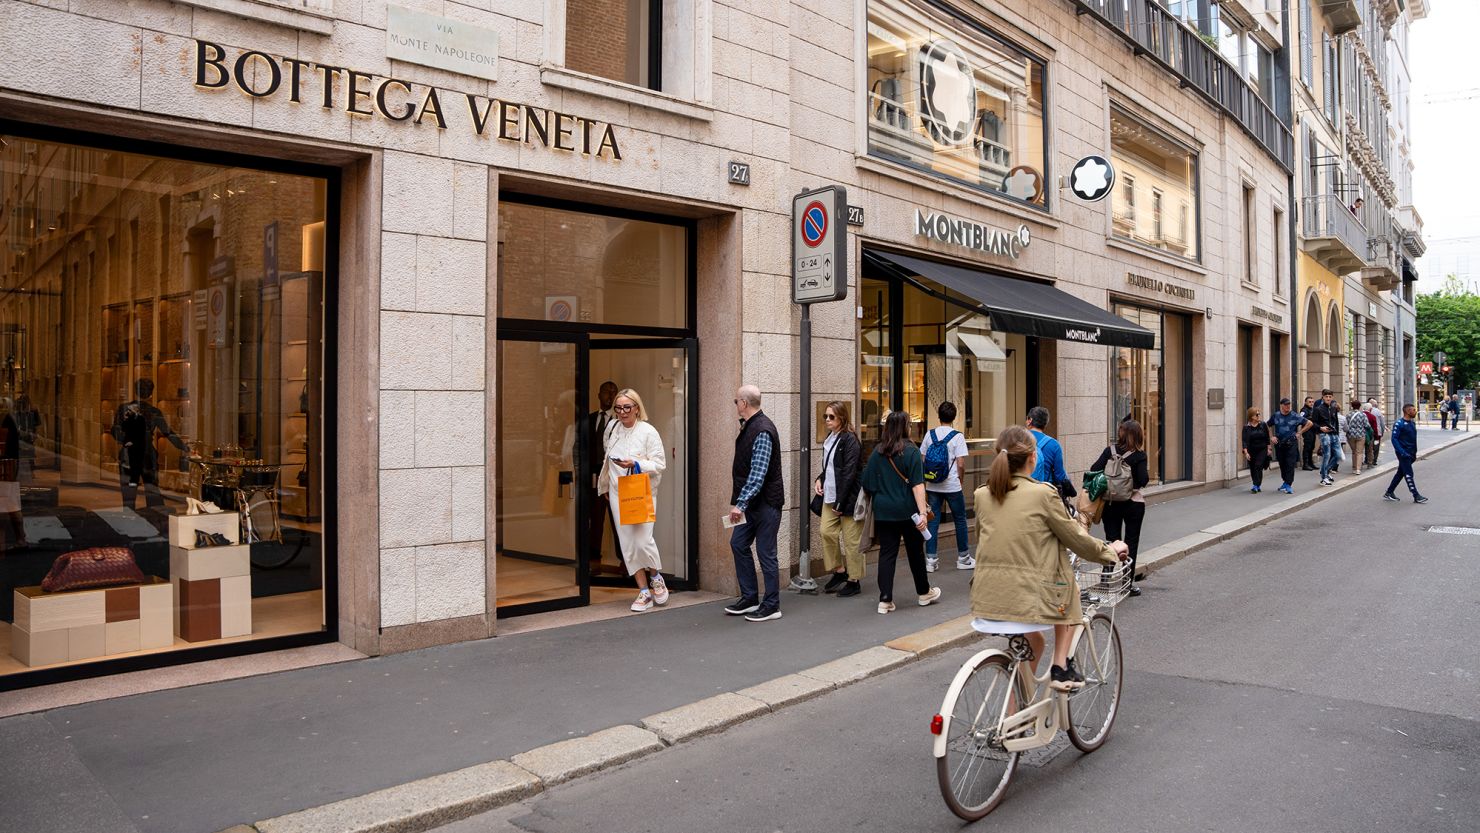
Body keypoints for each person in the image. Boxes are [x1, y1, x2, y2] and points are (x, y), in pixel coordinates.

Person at [970, 425, 1129, 690]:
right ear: (1033, 457)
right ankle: (1060, 668)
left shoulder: (982, 495)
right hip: (1027, 598)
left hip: (986, 598)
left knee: (1035, 643)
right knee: (1072, 589)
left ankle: (1013, 718)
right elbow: (1076, 539)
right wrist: (1110, 552)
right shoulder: (1043, 494)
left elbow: (987, 538)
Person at [860, 410, 941, 615]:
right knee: (915, 552)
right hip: (908, 511)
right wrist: (923, 513)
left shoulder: (878, 451)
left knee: (887, 554)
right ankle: (924, 592)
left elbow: (867, 482)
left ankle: (885, 599)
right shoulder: (911, 451)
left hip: (884, 510)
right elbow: (917, 485)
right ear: (905, 427)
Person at [597, 389, 669, 613]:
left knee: (643, 540)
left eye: (627, 407)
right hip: (618, 493)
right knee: (627, 544)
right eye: (619, 408)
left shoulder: (648, 431)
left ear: (637, 408)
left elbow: (659, 464)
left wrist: (635, 463)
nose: (622, 412)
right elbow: (607, 458)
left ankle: (656, 576)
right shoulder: (612, 428)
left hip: (641, 491)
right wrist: (607, 485)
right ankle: (643, 592)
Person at [726, 385, 785, 622]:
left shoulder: (762, 430)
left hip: (766, 504)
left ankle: (772, 605)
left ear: (743, 403)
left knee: (766, 553)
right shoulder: (750, 426)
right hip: (752, 503)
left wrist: (740, 504)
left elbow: (757, 473)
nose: (736, 405)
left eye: (735, 401)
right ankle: (750, 598)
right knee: (738, 543)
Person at [1090, 419, 1149, 597]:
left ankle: (1106, 580)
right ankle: (1127, 584)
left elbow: (1094, 469)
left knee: (1111, 541)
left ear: (1121, 433)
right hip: (1132, 504)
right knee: (1131, 542)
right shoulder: (1140, 455)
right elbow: (1143, 479)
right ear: (1138, 435)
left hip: (1110, 504)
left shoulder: (1110, 451)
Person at [111, 378, 188, 510]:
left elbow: (115, 431)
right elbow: (168, 433)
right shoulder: (154, 412)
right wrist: (185, 447)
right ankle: (155, 521)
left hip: (128, 454)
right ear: (151, 394)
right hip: (147, 455)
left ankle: (130, 520)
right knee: (152, 491)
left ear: (135, 392)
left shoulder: (123, 408)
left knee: (128, 493)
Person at [814, 400, 864, 597]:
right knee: (826, 532)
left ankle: (854, 580)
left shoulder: (850, 440)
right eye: (825, 416)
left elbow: (849, 473)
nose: (827, 419)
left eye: (831, 417)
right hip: (831, 495)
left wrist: (841, 503)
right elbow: (830, 467)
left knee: (852, 541)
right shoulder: (831, 437)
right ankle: (840, 571)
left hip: (848, 498)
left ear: (842, 418)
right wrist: (820, 479)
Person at [921, 401, 972, 572]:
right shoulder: (957, 436)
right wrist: (960, 479)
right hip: (952, 485)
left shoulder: (930, 435)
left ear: (938, 416)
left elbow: (922, 458)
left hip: (932, 484)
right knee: (960, 520)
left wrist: (926, 478)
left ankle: (931, 560)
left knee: (933, 522)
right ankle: (963, 558)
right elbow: (961, 463)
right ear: (954, 417)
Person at [586, 381, 621, 575]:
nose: (610, 395)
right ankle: (593, 560)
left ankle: (624, 561)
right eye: (607, 392)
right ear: (598, 395)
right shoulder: (589, 419)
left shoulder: (619, 421)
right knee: (595, 521)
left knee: (618, 522)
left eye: (614, 392)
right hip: (593, 479)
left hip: (614, 479)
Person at [1383, 404, 1427, 504]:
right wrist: (1401, 452)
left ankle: (1389, 492)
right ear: (1407, 411)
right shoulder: (1399, 424)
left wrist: (1414, 453)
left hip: (1411, 453)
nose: (1415, 411)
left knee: (1400, 473)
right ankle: (1416, 495)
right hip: (1403, 453)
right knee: (1409, 473)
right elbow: (1394, 439)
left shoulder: (1412, 423)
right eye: (1413, 410)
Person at [1267, 397, 1310, 494]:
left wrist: (1299, 433)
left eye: (1289, 404)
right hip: (1279, 444)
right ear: (1281, 405)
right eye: (1286, 405)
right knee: (1282, 464)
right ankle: (1285, 482)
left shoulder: (1295, 415)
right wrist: (1271, 437)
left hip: (1291, 443)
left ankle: (1289, 484)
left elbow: (1309, 423)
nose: (1288, 406)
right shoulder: (1276, 415)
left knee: (1290, 464)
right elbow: (1267, 425)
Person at [1310, 389, 1340, 485]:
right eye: (1326, 396)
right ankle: (1324, 478)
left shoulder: (1333, 408)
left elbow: (1336, 422)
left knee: (1338, 455)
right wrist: (1320, 428)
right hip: (1324, 434)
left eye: (1330, 396)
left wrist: (1337, 434)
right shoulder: (1318, 409)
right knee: (1327, 455)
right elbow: (1312, 423)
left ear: (1332, 397)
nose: (1328, 398)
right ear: (1322, 397)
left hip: (1334, 434)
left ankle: (1325, 471)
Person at [1241, 406, 1271, 493]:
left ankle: (1255, 485)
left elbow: (1267, 437)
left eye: (1259, 414)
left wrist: (1269, 449)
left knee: (1258, 466)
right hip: (1251, 450)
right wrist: (1246, 453)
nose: (1258, 416)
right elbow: (1244, 441)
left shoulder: (1263, 425)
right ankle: (1257, 484)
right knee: (1253, 468)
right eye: (1257, 415)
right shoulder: (1246, 427)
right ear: (1251, 416)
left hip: (1262, 449)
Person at [13, 394, 40, 483]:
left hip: (28, 434)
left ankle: (30, 471)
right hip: (24, 435)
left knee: (29, 453)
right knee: (28, 453)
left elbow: (37, 424)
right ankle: (29, 472)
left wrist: (34, 434)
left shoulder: (32, 411)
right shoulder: (19, 412)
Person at [1343, 399, 1368, 475]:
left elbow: (1345, 426)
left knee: (1354, 452)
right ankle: (1358, 469)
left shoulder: (1348, 415)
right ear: (1360, 406)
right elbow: (1367, 425)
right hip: (1360, 435)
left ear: (1352, 406)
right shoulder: (1363, 415)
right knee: (1359, 452)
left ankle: (1354, 467)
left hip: (1351, 435)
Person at [1299, 396, 1318, 470]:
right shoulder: (1304, 410)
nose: (1311, 403)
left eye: (1312, 402)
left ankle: (1310, 463)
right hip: (1307, 431)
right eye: (1309, 402)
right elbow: (1301, 419)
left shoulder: (1312, 409)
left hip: (1312, 430)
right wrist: (1310, 419)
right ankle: (1305, 464)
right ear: (1305, 402)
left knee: (1312, 447)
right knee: (1307, 447)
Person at [1364, 399, 1385, 466]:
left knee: (1368, 447)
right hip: (1376, 433)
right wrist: (1382, 432)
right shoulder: (1378, 411)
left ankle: (1367, 459)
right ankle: (1374, 460)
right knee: (1376, 447)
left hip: (1366, 433)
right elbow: (1382, 423)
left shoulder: (1364, 412)